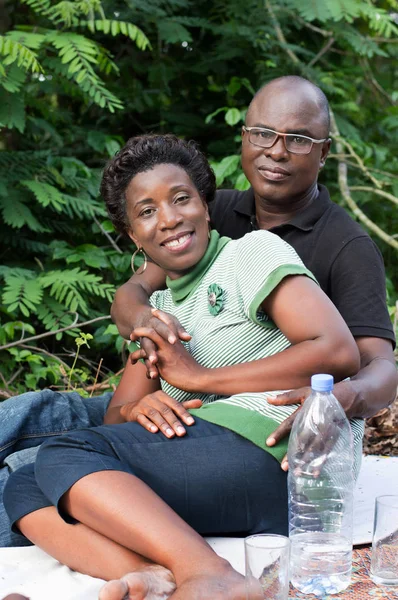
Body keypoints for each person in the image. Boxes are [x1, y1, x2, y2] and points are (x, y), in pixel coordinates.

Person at [0, 75, 396, 548]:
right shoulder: (208, 207)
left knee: (46, 467)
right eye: (263, 134)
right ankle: (143, 573)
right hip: (185, 404)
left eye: (299, 139)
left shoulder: (342, 247)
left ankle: (196, 571)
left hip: (254, 417)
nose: (276, 150)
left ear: (324, 152)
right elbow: (136, 293)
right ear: (244, 138)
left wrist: (336, 401)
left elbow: (370, 364)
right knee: (28, 423)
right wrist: (144, 326)